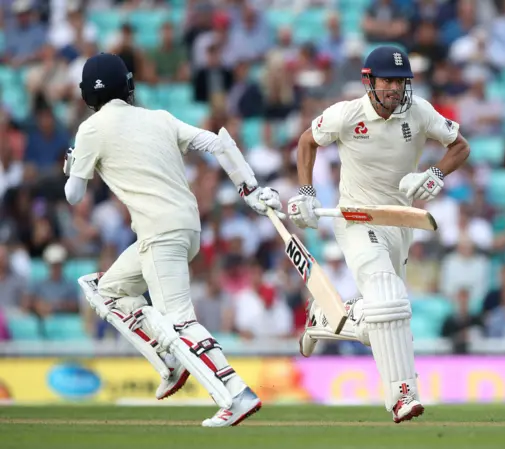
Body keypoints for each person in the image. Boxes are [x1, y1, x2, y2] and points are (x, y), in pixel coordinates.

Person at [63, 53, 284, 427]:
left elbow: (73, 196)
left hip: (158, 233)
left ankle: (236, 393)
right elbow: (219, 143)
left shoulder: (90, 129)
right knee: (105, 289)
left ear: (88, 94)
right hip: (186, 228)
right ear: (128, 85)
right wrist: (250, 189)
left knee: (180, 321)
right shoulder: (159, 117)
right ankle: (166, 357)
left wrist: (72, 164)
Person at [289, 46, 470, 423]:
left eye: (401, 81)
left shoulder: (419, 111)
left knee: (388, 319)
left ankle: (325, 319)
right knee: (387, 297)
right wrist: (306, 193)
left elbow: (460, 146)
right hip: (356, 218)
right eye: (387, 80)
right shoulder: (347, 114)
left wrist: (435, 175)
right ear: (368, 81)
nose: (395, 89)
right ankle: (403, 396)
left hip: (400, 223)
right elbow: (307, 141)